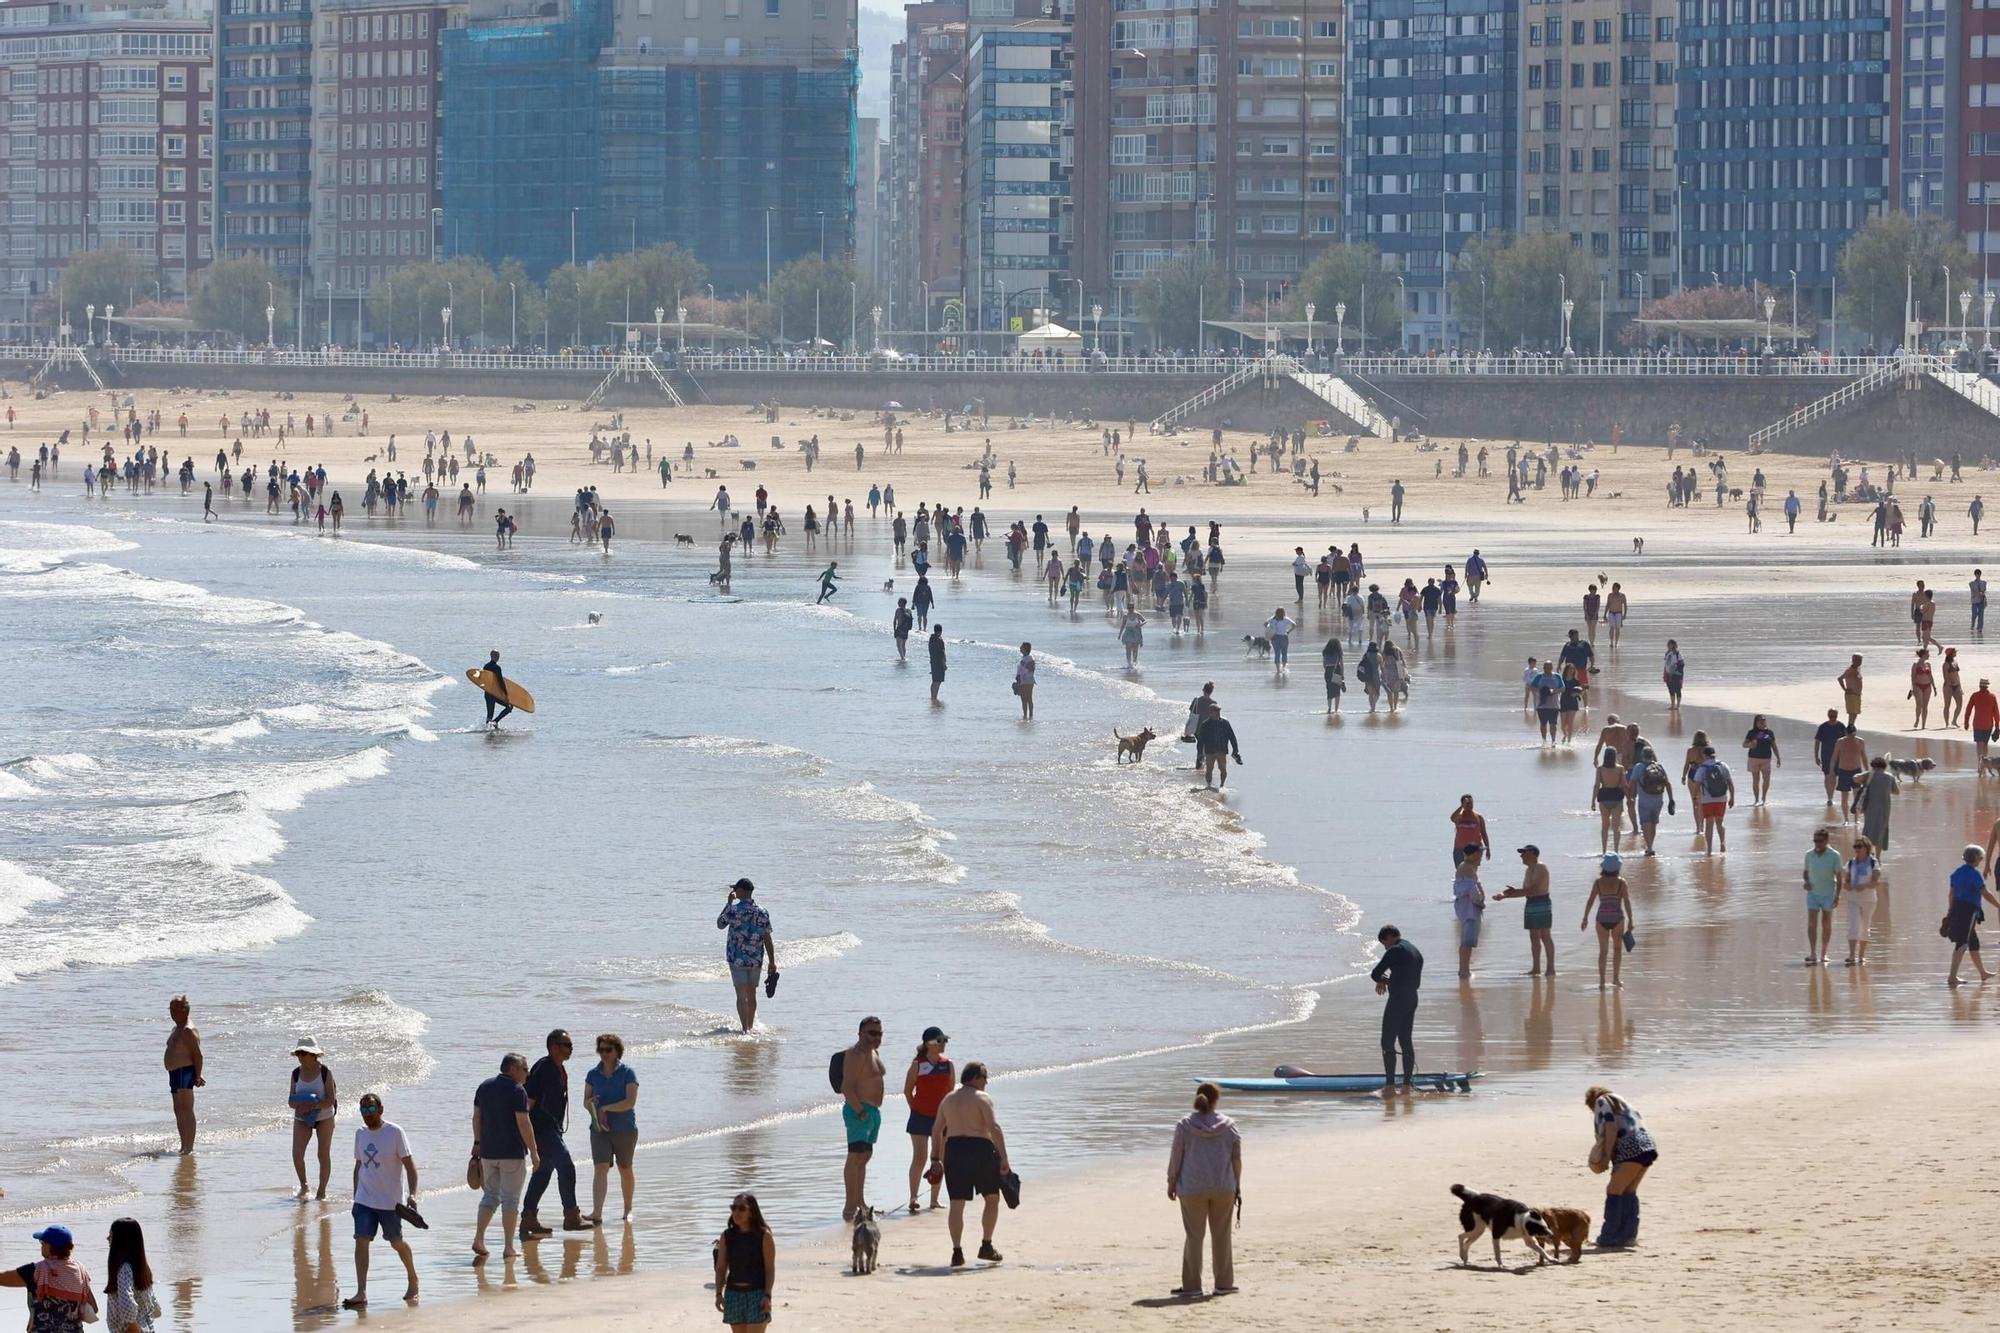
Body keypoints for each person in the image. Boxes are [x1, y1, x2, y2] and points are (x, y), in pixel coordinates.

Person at [344, 1091, 419, 1309]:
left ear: (380, 1109)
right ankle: (361, 1292)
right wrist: (355, 1196)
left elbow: (410, 1167)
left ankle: (413, 1278)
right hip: (364, 1199)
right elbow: (359, 1166)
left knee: (396, 1242)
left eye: (371, 1108)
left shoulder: (395, 1133)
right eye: (363, 1109)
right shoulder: (360, 1133)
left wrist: (412, 1194)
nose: (367, 1113)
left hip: (390, 1202)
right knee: (361, 1240)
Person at [932, 1062, 1010, 1268]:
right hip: (980, 1150)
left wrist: (935, 1159)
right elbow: (993, 1127)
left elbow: (936, 1129)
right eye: (985, 1079)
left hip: (955, 1151)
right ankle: (986, 1245)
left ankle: (957, 1251)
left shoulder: (948, 1099)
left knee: (957, 1204)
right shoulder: (982, 1098)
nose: (986, 1083)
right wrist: (1004, 1158)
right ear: (976, 1077)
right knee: (992, 1198)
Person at [1167, 1082, 1241, 1299]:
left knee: (1194, 1236)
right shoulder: (1229, 1126)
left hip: (1192, 1188)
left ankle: (1192, 1286)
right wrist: (1237, 1184)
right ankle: (1224, 1284)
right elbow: (1236, 1159)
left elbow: (1176, 1157)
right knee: (1222, 1235)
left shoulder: (1184, 1126)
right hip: (1223, 1186)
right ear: (1216, 1099)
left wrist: (1171, 1182)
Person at [521, 1029, 593, 1239]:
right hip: (542, 1129)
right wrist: (524, 1130)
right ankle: (571, 1216)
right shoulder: (543, 1067)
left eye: (571, 1044)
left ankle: (528, 1218)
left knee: (543, 1172)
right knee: (566, 1166)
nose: (571, 1048)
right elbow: (529, 1099)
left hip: (551, 1128)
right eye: (567, 1044)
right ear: (553, 1046)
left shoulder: (558, 1068)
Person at [470, 1053, 540, 1260]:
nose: (528, 1073)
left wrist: (477, 1143)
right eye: (525, 1069)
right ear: (513, 1069)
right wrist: (534, 1153)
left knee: (490, 1196)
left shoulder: (484, 1086)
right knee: (511, 1200)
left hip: (488, 1152)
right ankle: (509, 1247)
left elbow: (476, 1118)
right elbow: (524, 1123)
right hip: (512, 1153)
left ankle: (479, 1238)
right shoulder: (517, 1090)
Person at [1586, 1086, 1658, 1248]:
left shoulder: (1601, 1101)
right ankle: (1628, 1235)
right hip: (1647, 1145)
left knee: (1614, 1191)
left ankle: (1609, 1236)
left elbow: (1611, 1128)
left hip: (1629, 1147)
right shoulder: (1622, 1101)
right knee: (1628, 1191)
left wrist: (1605, 1157)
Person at [583, 1033, 639, 1224]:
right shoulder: (592, 1074)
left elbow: (630, 1102)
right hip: (599, 1129)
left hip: (624, 1128)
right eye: (601, 1049)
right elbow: (585, 1101)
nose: (604, 1053)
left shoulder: (628, 1073)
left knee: (625, 1168)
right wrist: (592, 1104)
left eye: (608, 1049)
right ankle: (597, 1212)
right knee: (600, 1168)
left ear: (617, 1051)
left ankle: (628, 1209)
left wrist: (606, 1107)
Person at [0, 1225, 96, 1330]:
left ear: (48, 1246)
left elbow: (2, 1278)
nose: (41, 1246)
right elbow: (94, 1308)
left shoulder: (37, 1270)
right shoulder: (80, 1271)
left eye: (42, 1243)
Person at [902, 1027, 953, 1215]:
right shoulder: (918, 1064)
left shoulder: (948, 1064)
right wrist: (916, 1109)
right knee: (920, 1157)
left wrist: (949, 1116)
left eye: (945, 1041)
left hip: (942, 1118)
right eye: (939, 1041)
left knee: (939, 1159)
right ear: (928, 1044)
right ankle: (913, 1198)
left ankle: (934, 1200)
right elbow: (908, 1091)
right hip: (920, 1117)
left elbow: (950, 1093)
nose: (943, 1044)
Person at [840, 1016, 886, 1222]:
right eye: (871, 1033)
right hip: (859, 1111)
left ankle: (860, 1203)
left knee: (865, 1157)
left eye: (879, 1033)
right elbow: (846, 1087)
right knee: (855, 1157)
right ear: (860, 1034)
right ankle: (850, 1207)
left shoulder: (874, 1052)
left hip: (872, 1112)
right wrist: (859, 1111)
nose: (875, 1037)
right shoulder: (855, 1054)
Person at [717, 878, 776, 1033]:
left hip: (737, 958)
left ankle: (745, 1030)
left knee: (741, 993)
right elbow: (767, 938)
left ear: (742, 891)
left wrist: (728, 904)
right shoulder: (763, 912)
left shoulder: (734, 910)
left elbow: (720, 924)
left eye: (736, 889)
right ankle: (750, 1026)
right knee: (752, 993)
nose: (734, 892)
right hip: (756, 958)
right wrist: (772, 961)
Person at [1370, 925, 1423, 1090]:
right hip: (1412, 998)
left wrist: (1382, 979)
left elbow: (1376, 973)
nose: (1385, 948)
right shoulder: (1414, 950)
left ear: (1389, 937)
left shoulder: (1395, 950)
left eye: (1384, 944)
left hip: (1398, 999)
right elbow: (1398, 972)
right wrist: (1387, 978)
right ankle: (1408, 1083)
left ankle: (1390, 1084)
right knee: (1405, 1040)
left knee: (1387, 1042)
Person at [715, 1194, 777, 1333]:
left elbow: (769, 1269)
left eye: (742, 1208)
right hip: (733, 1295)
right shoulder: (726, 1236)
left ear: (752, 1212)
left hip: (757, 1294)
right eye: (733, 1207)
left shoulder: (764, 1236)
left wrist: (767, 1296)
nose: (736, 1212)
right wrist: (718, 1294)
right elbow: (720, 1268)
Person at [287, 1038, 338, 1200]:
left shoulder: (325, 1072)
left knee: (322, 1154)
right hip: (302, 1117)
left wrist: (313, 1106)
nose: (300, 1056)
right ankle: (304, 1186)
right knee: (297, 1154)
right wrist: (299, 1106)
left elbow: (330, 1099)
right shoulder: (296, 1073)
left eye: (303, 1053)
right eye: (298, 1053)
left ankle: (321, 1191)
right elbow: (290, 1100)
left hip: (324, 1116)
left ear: (313, 1054)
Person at [1496, 845, 1555, 976]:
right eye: (1521, 853)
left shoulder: (1541, 867)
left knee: (1545, 936)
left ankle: (1550, 968)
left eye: (1524, 853)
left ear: (1533, 853)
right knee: (1533, 936)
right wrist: (1505, 896)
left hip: (1542, 902)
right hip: (1531, 903)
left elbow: (1534, 889)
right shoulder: (1528, 870)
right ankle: (1536, 968)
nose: (1521, 856)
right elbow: (1525, 892)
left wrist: (1513, 893)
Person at [1948, 845, 2000, 985]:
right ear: (1976, 858)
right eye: (1981, 858)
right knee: (1962, 943)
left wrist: (1950, 912)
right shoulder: (1974, 874)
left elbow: (1951, 894)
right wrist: (1998, 905)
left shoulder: (1957, 873)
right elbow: (1985, 893)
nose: (1981, 860)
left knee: (1973, 943)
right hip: (1968, 910)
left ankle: (1983, 973)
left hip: (1957, 909)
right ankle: (1952, 977)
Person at [1580, 855, 1632, 989]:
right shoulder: (1622, 882)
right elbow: (1626, 902)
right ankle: (1616, 978)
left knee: (1603, 951)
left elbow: (1590, 900)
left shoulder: (1598, 882)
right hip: (1617, 918)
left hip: (1601, 918)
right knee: (1617, 949)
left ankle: (1602, 981)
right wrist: (1631, 920)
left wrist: (1585, 917)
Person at [102, 1218, 159, 1333]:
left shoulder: (124, 1269)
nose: (107, 1238)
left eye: (111, 1235)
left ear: (121, 1240)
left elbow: (127, 1304)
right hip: (147, 1327)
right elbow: (153, 1302)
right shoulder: (142, 1267)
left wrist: (133, 1326)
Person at [164, 995, 203, 1155]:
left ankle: (189, 1147)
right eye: (170, 1009)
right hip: (174, 1073)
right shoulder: (176, 1028)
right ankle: (183, 1145)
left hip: (184, 1071)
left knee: (186, 1109)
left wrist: (198, 1075)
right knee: (178, 1110)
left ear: (184, 1010)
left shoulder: (188, 1030)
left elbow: (198, 1055)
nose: (172, 1013)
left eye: (175, 1009)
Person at [1802, 828, 1843, 967]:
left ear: (1826, 841)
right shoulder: (1809, 854)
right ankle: (1813, 952)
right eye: (1815, 841)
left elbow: (1839, 876)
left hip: (1828, 893)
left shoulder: (1834, 855)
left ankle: (1824, 953)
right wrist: (1806, 882)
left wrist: (1838, 895)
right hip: (1813, 893)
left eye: (1820, 841)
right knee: (1812, 923)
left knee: (1826, 923)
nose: (1817, 844)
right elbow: (1806, 872)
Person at [1842, 836, 1882, 967]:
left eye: (1859, 846)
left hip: (1869, 899)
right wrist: (1846, 885)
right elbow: (1846, 880)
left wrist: (1865, 886)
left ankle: (1861, 955)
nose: (1856, 849)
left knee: (1865, 926)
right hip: (1853, 898)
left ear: (1867, 848)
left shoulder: (1873, 863)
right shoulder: (1851, 863)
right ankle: (1852, 955)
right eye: (1855, 847)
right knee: (1854, 924)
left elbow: (1876, 881)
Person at [1689, 745, 1735, 853]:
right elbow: (1730, 783)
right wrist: (1732, 797)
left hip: (1707, 800)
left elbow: (1696, 784)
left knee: (1709, 824)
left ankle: (1709, 850)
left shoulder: (1702, 768)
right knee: (1720, 822)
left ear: (1704, 755)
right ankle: (1722, 845)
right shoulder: (1723, 765)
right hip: (1722, 798)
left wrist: (1695, 797)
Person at [1452, 847, 1487, 978]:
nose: (1481, 856)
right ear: (1474, 854)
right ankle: (1464, 970)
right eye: (1480, 853)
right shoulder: (1467, 867)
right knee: (1467, 942)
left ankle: (1464, 969)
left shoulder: (1466, 866)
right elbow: (1472, 890)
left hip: (1465, 908)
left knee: (1466, 941)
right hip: (1469, 909)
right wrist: (1480, 902)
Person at [1854, 756, 1898, 852]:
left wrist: (1866, 778)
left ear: (1873, 766)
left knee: (1868, 829)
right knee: (1881, 831)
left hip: (1870, 807)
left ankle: (1867, 853)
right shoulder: (1890, 777)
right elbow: (1896, 792)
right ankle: (1878, 857)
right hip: (1885, 808)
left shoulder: (1869, 775)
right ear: (1884, 766)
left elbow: (1855, 778)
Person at [1196, 705, 1242, 790]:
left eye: (1219, 711)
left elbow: (1232, 737)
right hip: (1209, 751)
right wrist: (1199, 754)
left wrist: (1235, 750)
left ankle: (1222, 786)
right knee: (1209, 769)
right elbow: (1200, 740)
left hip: (1222, 750)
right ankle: (1208, 786)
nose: (1218, 713)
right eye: (1216, 711)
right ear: (1210, 713)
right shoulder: (1205, 724)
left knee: (1223, 769)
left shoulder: (1225, 723)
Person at [1741, 714, 1781, 805]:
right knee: (1756, 780)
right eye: (1760, 720)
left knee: (1766, 779)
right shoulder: (1752, 732)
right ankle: (1756, 800)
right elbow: (1744, 744)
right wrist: (1750, 745)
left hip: (1766, 759)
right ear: (1756, 722)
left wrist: (1778, 757)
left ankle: (1764, 798)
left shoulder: (1770, 732)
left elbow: (1774, 746)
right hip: (1753, 758)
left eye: (1764, 720)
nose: (1762, 722)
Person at [1830, 725, 1869, 819]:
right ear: (1846, 733)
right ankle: (1846, 819)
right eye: (1850, 734)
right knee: (1844, 797)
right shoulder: (1840, 742)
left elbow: (1864, 757)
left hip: (1857, 771)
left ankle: (1856, 819)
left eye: (1853, 734)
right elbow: (1834, 757)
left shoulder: (1860, 741)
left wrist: (1867, 771)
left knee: (1857, 797)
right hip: (1843, 771)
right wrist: (1831, 771)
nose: (1851, 736)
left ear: (1855, 733)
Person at [1593, 746, 1626, 853]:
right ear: (1615, 756)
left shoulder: (1600, 769)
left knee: (1605, 826)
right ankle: (1616, 851)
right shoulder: (1620, 768)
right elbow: (1624, 785)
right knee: (1616, 827)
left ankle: (1604, 851)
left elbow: (1597, 785)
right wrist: (1629, 798)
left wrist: (1593, 800)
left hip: (1604, 798)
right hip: (1616, 797)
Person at [1812, 708, 1847, 801]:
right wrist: (1816, 756)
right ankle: (1829, 798)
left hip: (1839, 756)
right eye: (1831, 716)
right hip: (1826, 755)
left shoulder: (1841, 726)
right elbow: (1817, 742)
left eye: (1834, 716)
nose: (1833, 718)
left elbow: (1846, 741)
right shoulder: (1823, 727)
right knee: (1827, 776)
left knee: (1834, 776)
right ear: (1828, 716)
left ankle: (1831, 795)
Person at [1448, 794, 1490, 866]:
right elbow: (1452, 818)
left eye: (1471, 803)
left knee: (1472, 871)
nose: (1470, 805)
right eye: (1468, 804)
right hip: (1460, 849)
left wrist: (1488, 848)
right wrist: (1462, 806)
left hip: (1475, 850)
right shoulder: (1459, 816)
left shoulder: (1478, 817)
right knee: (1460, 871)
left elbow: (1484, 833)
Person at [475, 650, 512, 730]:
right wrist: (506, 694)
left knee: (489, 715)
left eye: (498, 655)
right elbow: (500, 681)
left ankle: (487, 730)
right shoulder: (497, 668)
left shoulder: (486, 666)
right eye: (497, 656)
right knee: (509, 707)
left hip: (488, 693)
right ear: (493, 656)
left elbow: (483, 680)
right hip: (495, 694)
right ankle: (495, 722)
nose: (498, 657)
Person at [1969, 678, 2000, 765]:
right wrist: (1997, 727)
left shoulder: (1975, 695)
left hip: (1977, 724)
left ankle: (1980, 763)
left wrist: (1966, 721)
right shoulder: (1992, 697)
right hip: (1988, 725)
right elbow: (1996, 713)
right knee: (1985, 744)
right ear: (1987, 686)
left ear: (1980, 685)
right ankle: (1985, 763)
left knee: (1979, 744)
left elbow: (1968, 709)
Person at [1837, 654, 1864, 726]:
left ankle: (1851, 728)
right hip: (1851, 695)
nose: (1859, 662)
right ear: (1853, 660)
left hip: (1857, 695)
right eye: (1857, 660)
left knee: (1855, 714)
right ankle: (1850, 729)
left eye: (1860, 660)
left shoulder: (1858, 668)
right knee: (1852, 714)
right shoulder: (1850, 670)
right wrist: (1845, 689)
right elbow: (1840, 679)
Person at [1014, 643, 1036, 720]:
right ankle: (1025, 716)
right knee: (1024, 699)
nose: (1020, 648)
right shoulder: (1025, 658)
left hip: (1027, 680)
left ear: (1025, 649)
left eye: (1021, 647)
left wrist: (1023, 668)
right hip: (1024, 680)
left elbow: (1032, 669)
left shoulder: (1030, 658)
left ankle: (1030, 716)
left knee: (1028, 698)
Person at [927, 624, 948, 705]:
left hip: (933, 661)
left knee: (934, 681)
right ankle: (934, 697)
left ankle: (933, 697)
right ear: (941, 631)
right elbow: (942, 653)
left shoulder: (931, 639)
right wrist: (944, 664)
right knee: (938, 681)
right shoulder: (939, 640)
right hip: (939, 662)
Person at [1661, 639, 1685, 708]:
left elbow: (1682, 664)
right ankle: (1672, 705)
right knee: (1671, 689)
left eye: (1669, 644)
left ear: (1673, 645)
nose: (1668, 645)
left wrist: (1674, 668)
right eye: (1667, 644)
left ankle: (1677, 706)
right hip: (1668, 674)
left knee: (1677, 690)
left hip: (1676, 674)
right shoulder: (1668, 653)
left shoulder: (1678, 654)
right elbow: (1666, 662)